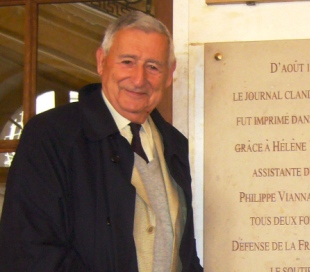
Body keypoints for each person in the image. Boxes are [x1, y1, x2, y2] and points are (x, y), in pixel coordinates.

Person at [0, 11, 203, 272]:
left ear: (169, 74)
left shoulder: (176, 146)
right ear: (101, 61)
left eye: (153, 66)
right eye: (127, 62)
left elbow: (184, 254)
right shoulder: (51, 136)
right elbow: (29, 252)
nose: (139, 79)